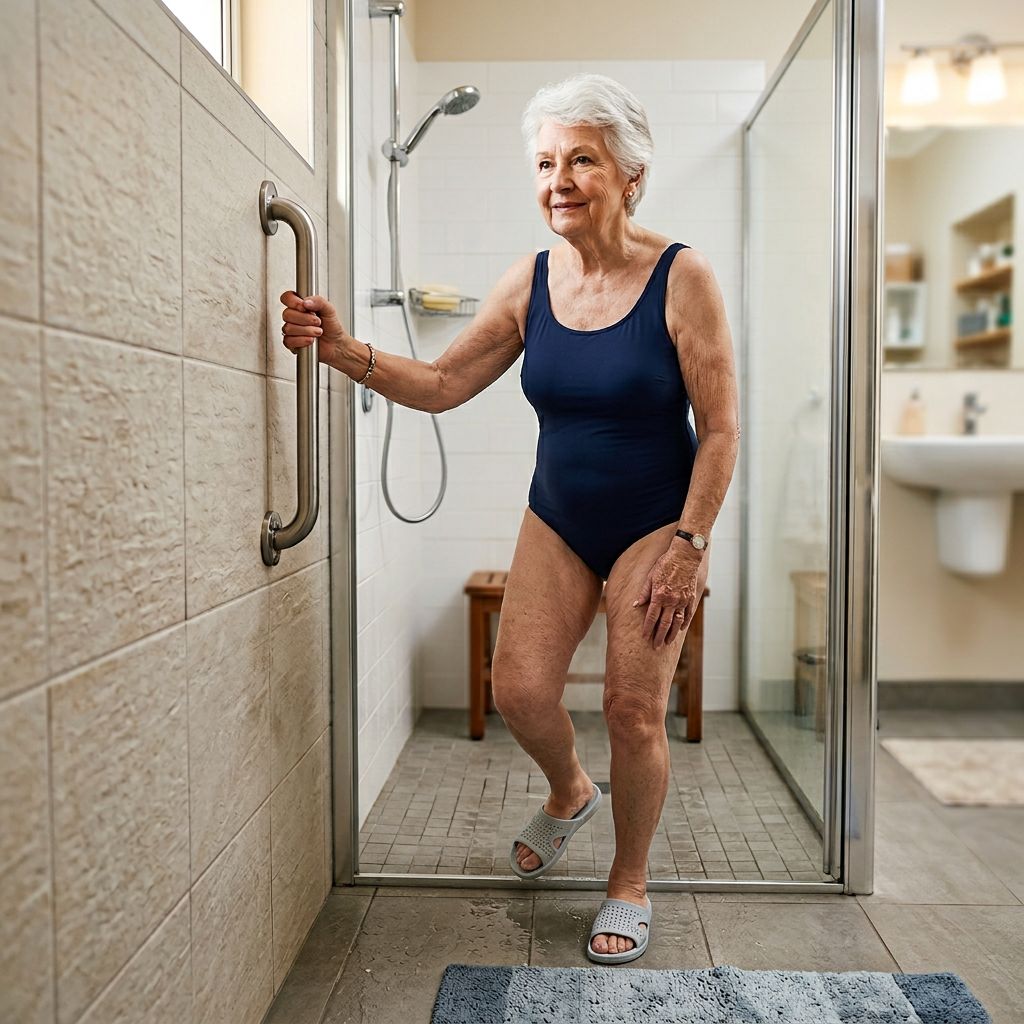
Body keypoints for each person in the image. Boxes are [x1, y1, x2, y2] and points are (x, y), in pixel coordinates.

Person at [280, 73, 740, 965]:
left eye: (582, 160)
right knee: (520, 691)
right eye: (545, 163)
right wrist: (341, 349)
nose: (558, 180)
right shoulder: (529, 283)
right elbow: (442, 383)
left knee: (632, 711)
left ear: (631, 175)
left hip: (659, 521)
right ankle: (570, 792)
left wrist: (690, 544)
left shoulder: (682, 278)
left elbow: (720, 428)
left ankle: (628, 882)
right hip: (559, 515)